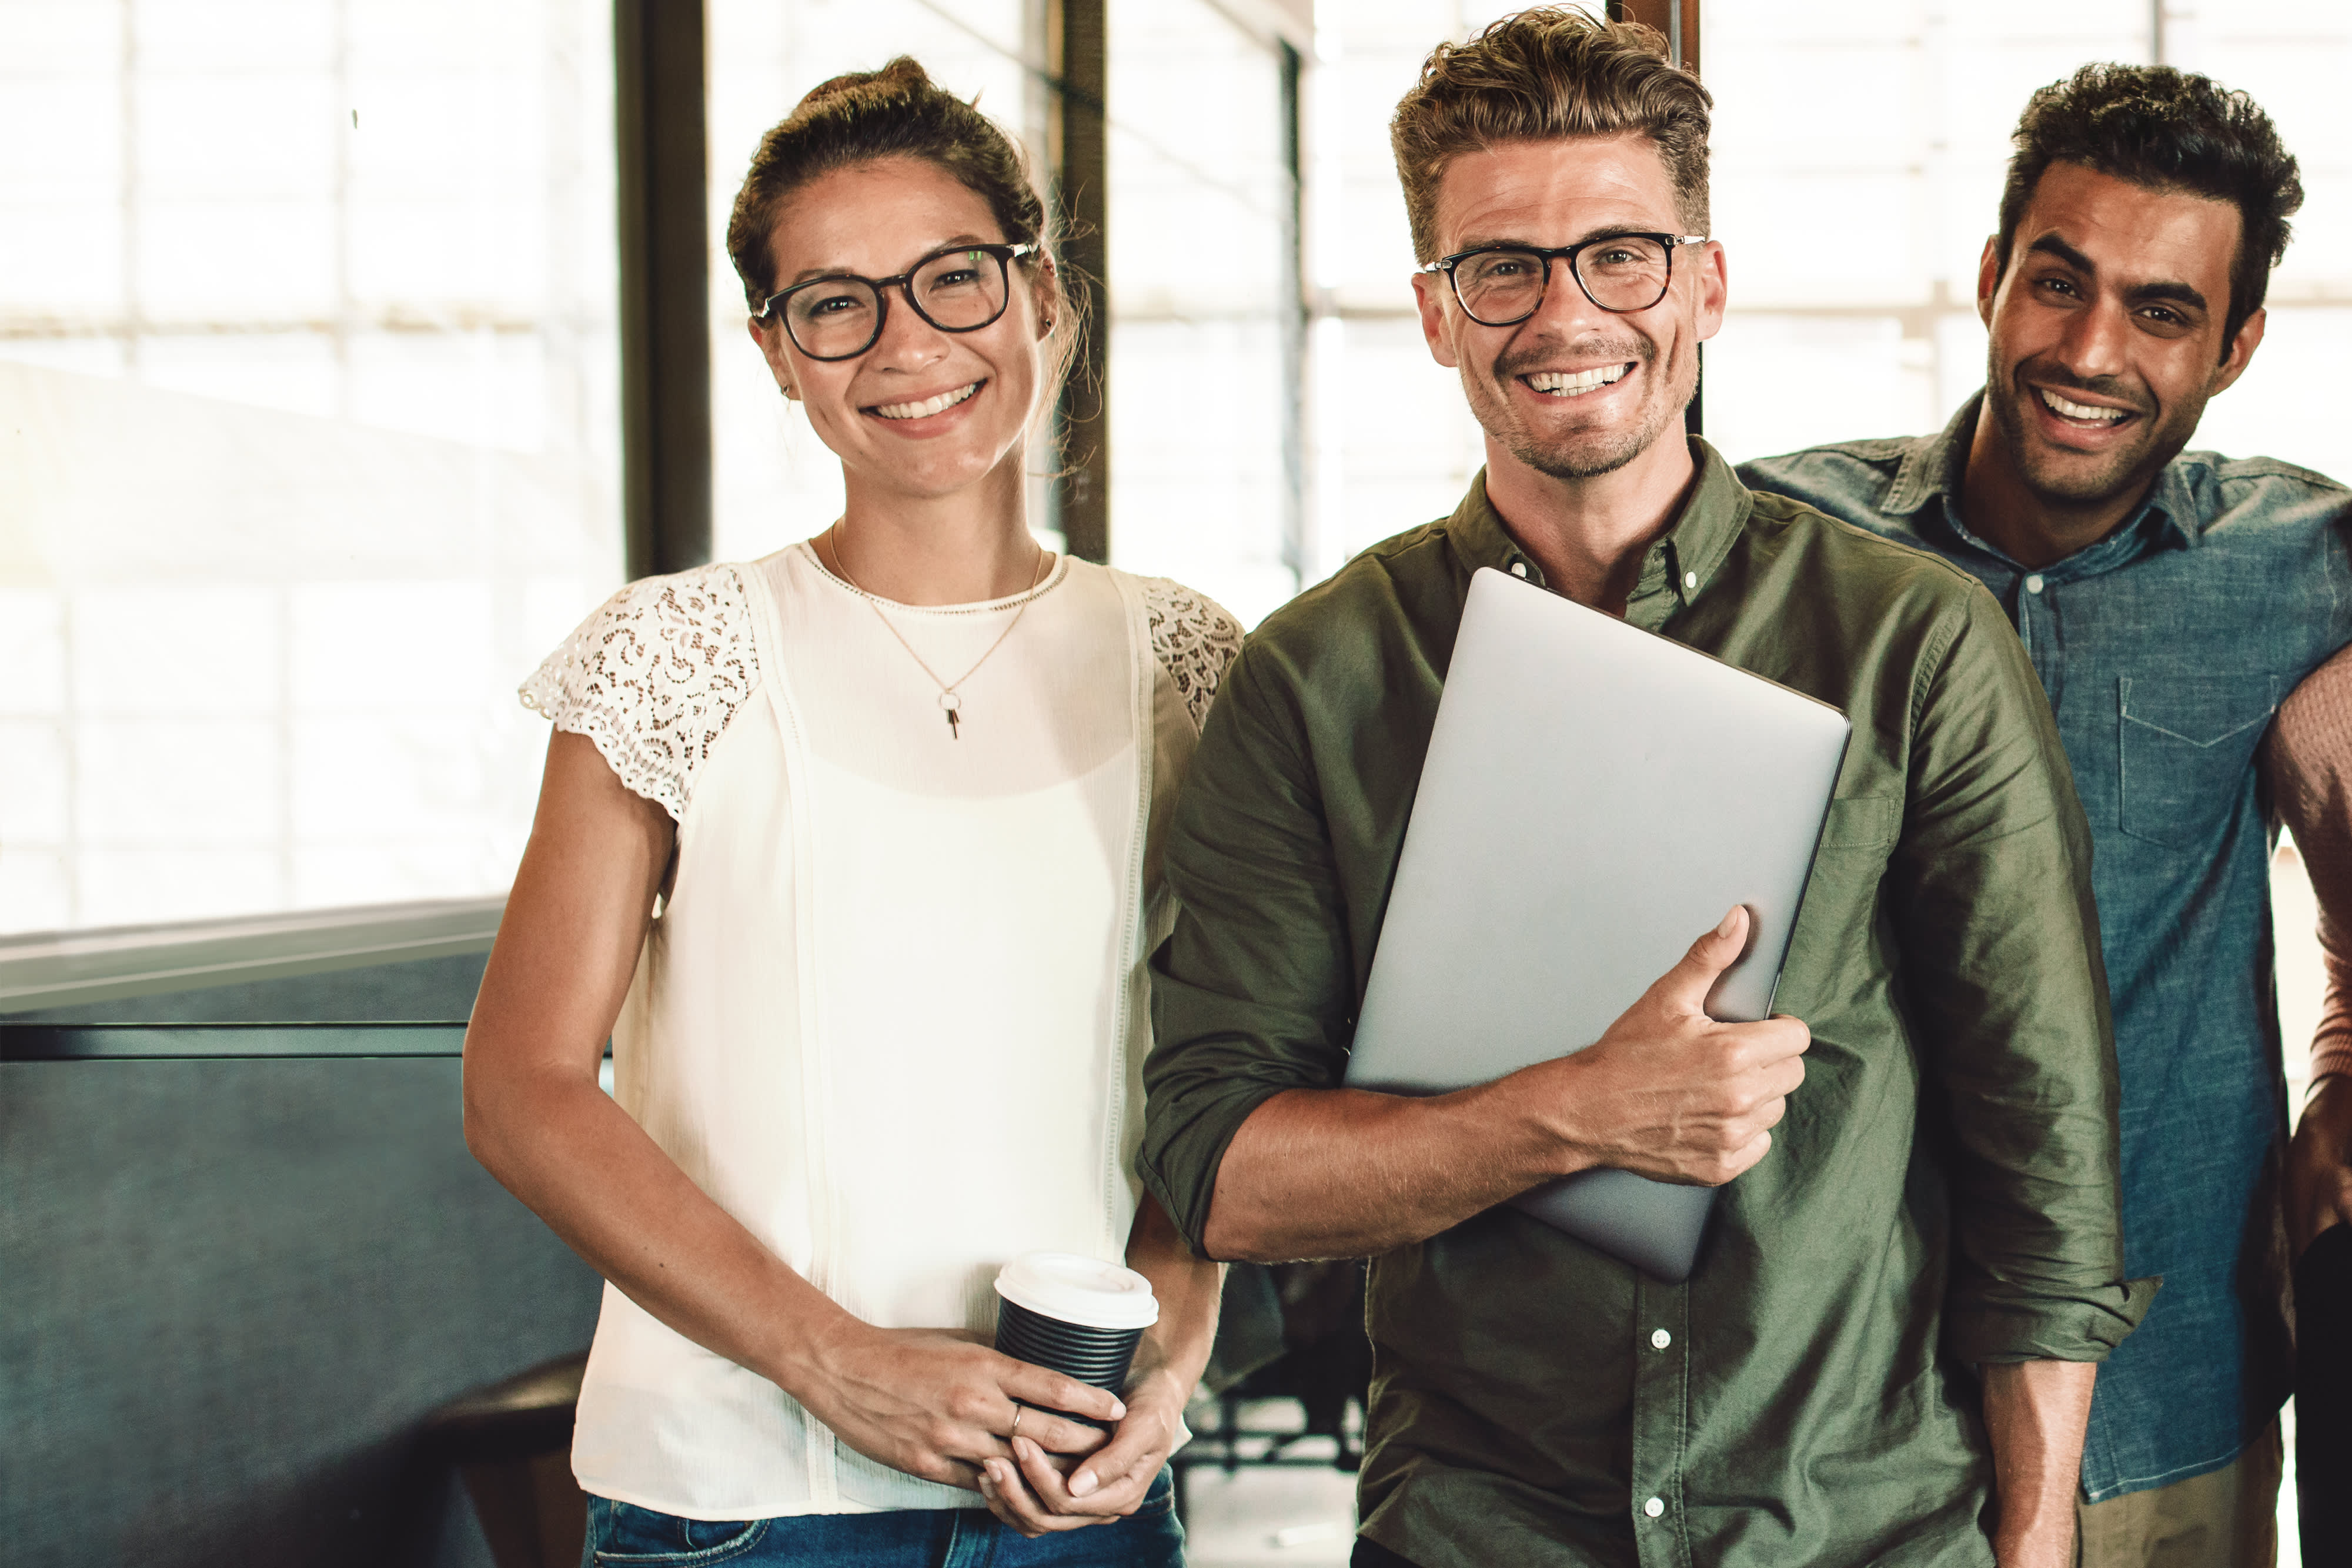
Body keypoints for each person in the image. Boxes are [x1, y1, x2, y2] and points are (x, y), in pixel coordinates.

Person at [1138, 11, 2147, 1567]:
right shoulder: (1316, 679)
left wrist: (2035, 1544)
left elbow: (2045, 1165)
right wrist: (1570, 1113)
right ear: (1434, 311)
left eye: (1619, 255)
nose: (1564, 314)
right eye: (1502, 267)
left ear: (1704, 284)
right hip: (1480, 1531)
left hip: (1857, 1530)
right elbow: (1222, 1172)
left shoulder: (1909, 643)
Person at [462, 58, 1237, 1565]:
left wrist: (1170, 1349)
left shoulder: (1183, 658)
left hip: (1075, 1495)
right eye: (835, 303)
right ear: (777, 351)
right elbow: (522, 1086)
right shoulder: (674, 649)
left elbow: (1223, 1071)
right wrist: (832, 1359)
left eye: (953, 277)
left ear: (1040, 295)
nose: (907, 343)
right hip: (743, 1501)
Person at [1740, 63, 2352, 1567]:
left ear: (2235, 344)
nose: (2087, 351)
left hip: (2171, 1401)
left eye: (2160, 310)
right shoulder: (1781, 547)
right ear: (1989, 277)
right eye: (2056, 281)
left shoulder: (2303, 560)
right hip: (1834, 1415)